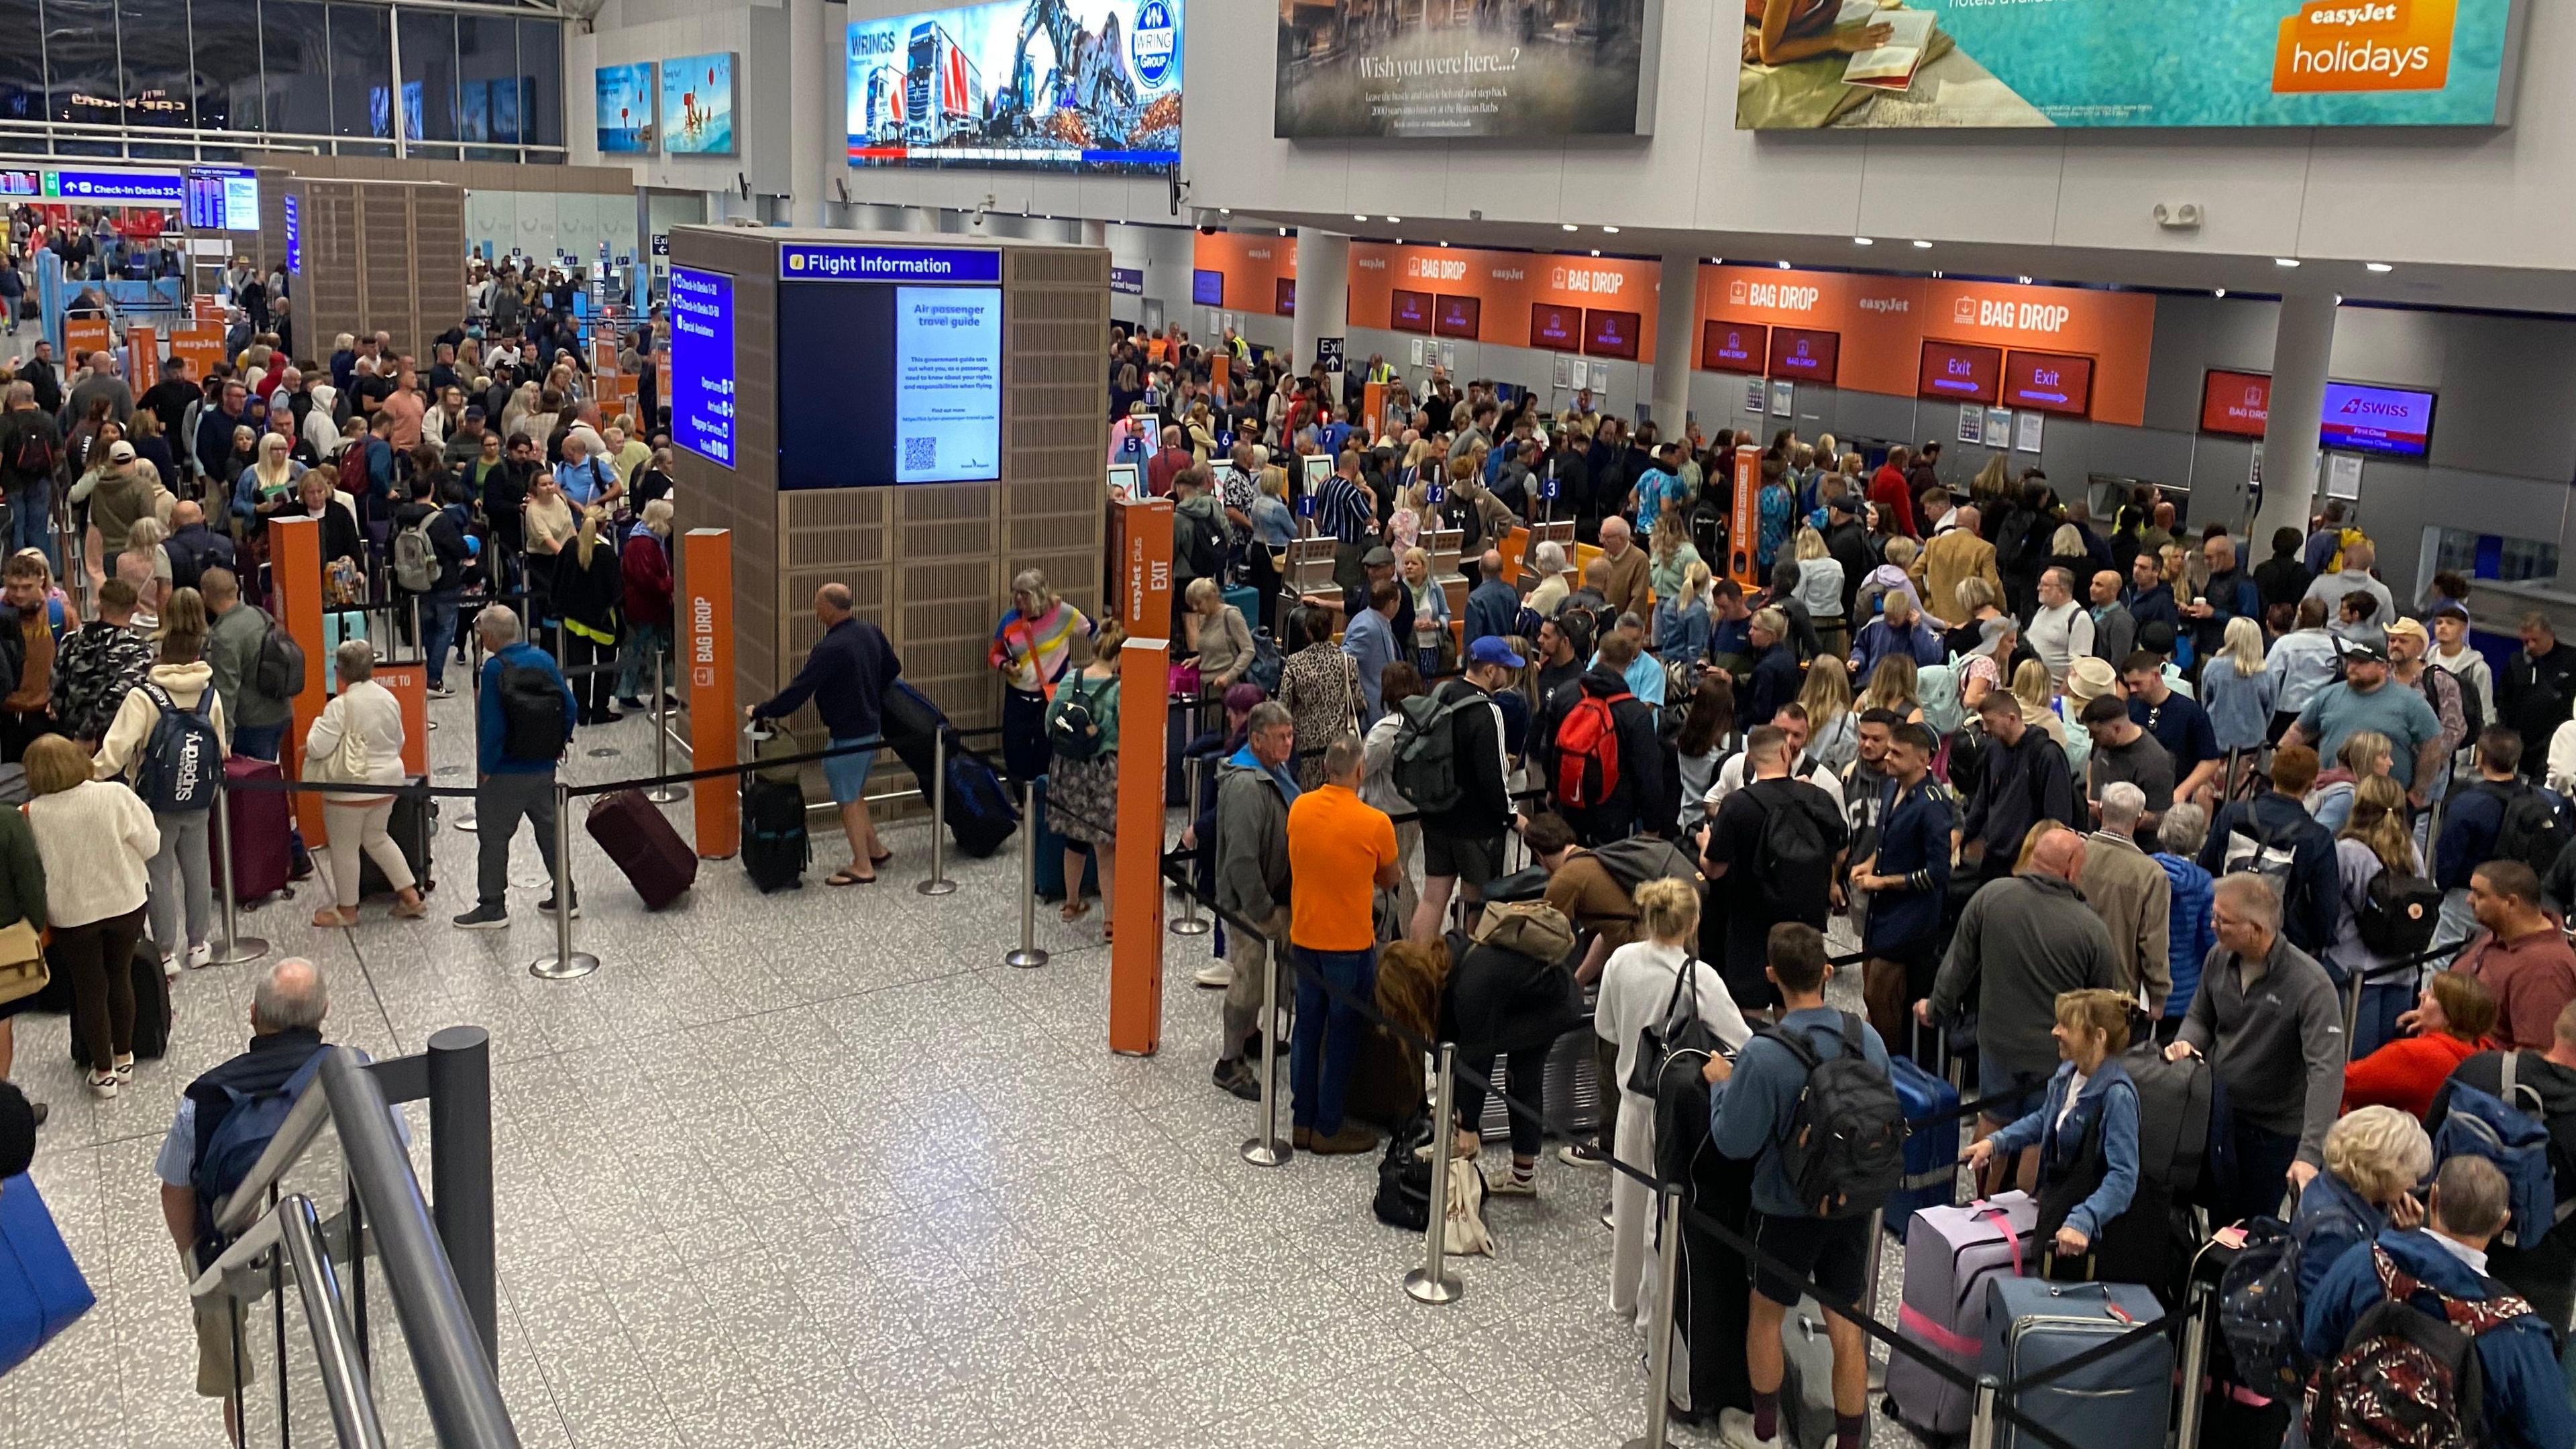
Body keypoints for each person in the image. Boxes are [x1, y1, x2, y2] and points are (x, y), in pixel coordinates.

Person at [1705, 922, 1890, 1449]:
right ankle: (1847, 1440)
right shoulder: (1865, 1037)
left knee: (1766, 1316)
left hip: (1783, 1208)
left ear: (1771, 976)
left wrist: (1722, 1087)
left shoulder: (1766, 1054)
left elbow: (1734, 1142)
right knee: (1845, 1323)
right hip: (1852, 1201)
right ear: (1828, 972)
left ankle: (1764, 1430)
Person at [2303, 1156, 2575, 1449]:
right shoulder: (2517, 1333)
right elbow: (2553, 1438)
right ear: (2502, 1222)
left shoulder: (2366, 1262)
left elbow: (2314, 1339)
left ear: (2433, 1196)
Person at [1600, 877, 1750, 1323]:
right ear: (1693, 923)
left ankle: (1623, 1297)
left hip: (1632, 1100)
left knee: (1628, 1202)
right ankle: (1655, 1310)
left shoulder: (1621, 960)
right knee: (1663, 1209)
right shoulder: (1700, 977)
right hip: (1675, 1106)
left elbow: (1606, 1028)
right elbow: (1741, 1039)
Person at [1926, 826, 2119, 1169]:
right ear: (2072, 868)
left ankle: (1978, 1207)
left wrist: (1936, 1010)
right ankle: (2022, 1218)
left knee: (1991, 1121)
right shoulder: (2092, 929)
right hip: (2054, 1056)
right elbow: (2102, 1003)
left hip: (1996, 1042)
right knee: (2039, 1133)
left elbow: (1955, 969)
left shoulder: (1991, 896)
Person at [2168, 873, 2349, 1224]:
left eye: (2223, 920)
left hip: (2273, 1134)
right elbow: (2201, 1016)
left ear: (2256, 928)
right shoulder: (2218, 960)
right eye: (2214, 915)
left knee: (2251, 1229)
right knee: (2216, 1221)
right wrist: (2186, 1043)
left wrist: (2309, 1155)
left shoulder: (2311, 985)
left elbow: (2326, 1071)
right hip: (2218, 1115)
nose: (2213, 925)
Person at [1962, 988, 2148, 1277]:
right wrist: (1996, 1143)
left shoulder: (2118, 1097)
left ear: (2098, 1038)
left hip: (2086, 1241)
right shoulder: (2068, 1075)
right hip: (2056, 1214)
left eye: (2067, 1026)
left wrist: (2084, 1220)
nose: (2055, 1031)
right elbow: (2043, 1120)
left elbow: (2123, 1178)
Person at [88, 589, 224, 968]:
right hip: (199, 798)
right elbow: (221, 747)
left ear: (160, 655)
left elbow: (114, 752)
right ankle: (198, 945)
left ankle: (165, 952)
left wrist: (86, 776)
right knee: (198, 870)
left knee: (159, 872)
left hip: (155, 801)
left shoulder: (144, 696)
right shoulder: (209, 693)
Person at [2426, 998, 2576, 1338]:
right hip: (2539, 1280)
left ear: (2556, 1030)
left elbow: (2426, 1144)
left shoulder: (2481, 1069)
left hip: (2447, 1250)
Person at [1284, 734, 1399, 1155]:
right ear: (1360, 771)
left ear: (1326, 769)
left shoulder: (1299, 808)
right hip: (1349, 946)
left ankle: (1301, 1120)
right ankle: (1329, 1127)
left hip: (1305, 937)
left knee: (1307, 1029)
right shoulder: (1375, 823)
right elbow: (1391, 879)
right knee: (1344, 1033)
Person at [23, 734, 154, 1097]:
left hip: (72, 915)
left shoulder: (33, 814)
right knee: (121, 975)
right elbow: (151, 842)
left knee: (89, 988)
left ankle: (103, 1072)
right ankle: (125, 1056)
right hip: (126, 902)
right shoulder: (113, 795)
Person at [747, 584, 902, 890]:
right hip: (872, 727)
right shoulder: (870, 632)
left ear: (830, 608)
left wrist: (761, 711)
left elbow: (799, 691)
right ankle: (875, 850)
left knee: (847, 800)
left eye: (818, 605)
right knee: (855, 793)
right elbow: (892, 669)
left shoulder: (830, 649)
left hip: (847, 734)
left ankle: (862, 866)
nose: (816, 611)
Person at [1706, 725, 1847, 1011]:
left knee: (1750, 1011)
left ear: (1749, 758)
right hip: (1803, 920)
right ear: (1786, 752)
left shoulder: (1736, 805)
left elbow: (1714, 870)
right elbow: (1841, 846)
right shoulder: (1815, 796)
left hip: (1749, 922)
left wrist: (1704, 843)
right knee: (1798, 1003)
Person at [453, 605, 577, 929]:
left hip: (506, 769)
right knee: (550, 832)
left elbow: (493, 726)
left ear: (491, 636)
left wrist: (486, 768)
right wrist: (554, 746)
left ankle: (492, 907)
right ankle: (566, 895)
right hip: (543, 768)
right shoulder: (544, 660)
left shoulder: (495, 669)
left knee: (494, 837)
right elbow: (570, 707)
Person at [298, 639, 427, 930]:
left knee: (344, 848)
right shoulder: (388, 698)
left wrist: (317, 723)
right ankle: (410, 896)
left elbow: (318, 748)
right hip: (389, 782)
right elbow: (400, 740)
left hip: (350, 788)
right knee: (377, 838)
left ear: (339, 672)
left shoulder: (340, 706)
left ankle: (347, 910)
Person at [1210, 700, 1297, 1099]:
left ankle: (1249, 1036)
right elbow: (1242, 859)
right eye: (1280, 737)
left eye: (1290, 735)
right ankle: (1229, 1062)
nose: (1288, 743)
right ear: (1257, 738)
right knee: (1247, 981)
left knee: (1263, 978)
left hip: (1274, 898)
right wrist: (1261, 910)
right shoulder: (1246, 785)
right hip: (1254, 906)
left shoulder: (1274, 771)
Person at [1407, 636, 1517, 942]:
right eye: (1506, 668)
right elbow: (1493, 778)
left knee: (1432, 899)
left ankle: (1416, 971)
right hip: (1475, 826)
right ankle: (1466, 973)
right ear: (1491, 671)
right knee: (1476, 902)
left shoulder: (1442, 692)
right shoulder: (1488, 711)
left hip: (1436, 814)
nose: (1508, 675)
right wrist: (1511, 815)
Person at [1851, 721, 1951, 1052]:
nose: (1888, 758)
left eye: (1897, 753)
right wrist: (1869, 863)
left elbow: (1937, 872)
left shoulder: (1933, 804)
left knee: (1880, 996)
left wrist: (1884, 881)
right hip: (1880, 908)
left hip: (1911, 916)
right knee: (1872, 994)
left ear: (1922, 759)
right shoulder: (1892, 787)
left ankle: (1889, 1064)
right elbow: (1888, 841)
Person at [2447, 859, 2576, 1053]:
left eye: (2479, 894)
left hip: (2480, 1077)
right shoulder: (2498, 933)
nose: (2469, 900)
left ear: (2511, 903)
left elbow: (2535, 1058)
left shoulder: (2546, 968)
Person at [1958, 692, 2082, 888]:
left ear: (2012, 719)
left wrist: (2041, 863)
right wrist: (1962, 839)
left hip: (2026, 865)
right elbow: (1982, 803)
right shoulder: (1993, 750)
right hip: (1993, 860)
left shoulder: (2047, 755)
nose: (1985, 728)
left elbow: (2057, 820)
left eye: (1990, 722)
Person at [2344, 969, 2496, 1118]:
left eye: (2432, 996)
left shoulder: (2416, 1054)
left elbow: (2344, 1082)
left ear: (2450, 1016)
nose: (2421, 995)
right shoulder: (2485, 1050)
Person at [989, 570, 1092, 786]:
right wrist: (1005, 665)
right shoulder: (1009, 620)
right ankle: (1022, 801)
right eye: (1015, 593)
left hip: (1052, 698)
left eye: (1024, 594)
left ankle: (1042, 799)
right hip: (1018, 698)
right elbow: (995, 653)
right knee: (1015, 752)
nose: (1018, 599)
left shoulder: (1063, 614)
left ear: (1039, 593)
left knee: (1048, 751)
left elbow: (1094, 631)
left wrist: (1099, 668)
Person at [2081, 782, 2173, 1016]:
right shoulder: (2151, 874)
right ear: (2139, 819)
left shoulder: (2074, 853)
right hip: (2118, 996)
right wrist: (2158, 995)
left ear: (2100, 811)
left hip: (2070, 982)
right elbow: (2153, 942)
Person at [199, 568, 290, 762]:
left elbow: (227, 688)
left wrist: (226, 736)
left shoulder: (225, 635)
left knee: (253, 785)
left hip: (251, 722)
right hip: (280, 710)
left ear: (204, 595)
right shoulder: (260, 615)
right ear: (237, 589)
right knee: (268, 773)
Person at [51, 575, 154, 746]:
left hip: (65, 735)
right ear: (135, 607)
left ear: (100, 604)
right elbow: (118, 696)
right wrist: (86, 734)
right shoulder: (138, 650)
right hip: (110, 741)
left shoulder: (70, 640)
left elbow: (55, 686)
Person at [2123, 650, 2222, 805]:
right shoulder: (2130, 708)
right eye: (2129, 684)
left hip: (2174, 796)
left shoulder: (2191, 712)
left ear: (2156, 676)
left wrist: (2182, 791)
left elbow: (2210, 761)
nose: (2132, 690)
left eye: (2137, 683)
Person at [614, 497, 675, 712]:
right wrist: (672, 585)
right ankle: (627, 692)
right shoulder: (642, 544)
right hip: (644, 608)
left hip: (653, 607)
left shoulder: (650, 540)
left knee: (659, 650)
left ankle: (660, 693)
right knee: (636, 649)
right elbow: (646, 579)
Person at [2082, 694, 2177, 824]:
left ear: (2116, 729)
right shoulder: (2103, 742)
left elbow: (2160, 818)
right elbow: (2093, 765)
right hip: (2097, 834)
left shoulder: (2155, 762)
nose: (2091, 737)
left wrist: (2108, 812)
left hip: (2132, 843)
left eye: (2095, 732)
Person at [2201, 615, 2276, 771]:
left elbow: (2205, 701)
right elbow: (2270, 711)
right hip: (2253, 746)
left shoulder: (2213, 666)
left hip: (2216, 743)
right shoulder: (2268, 672)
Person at [1341, 577, 1402, 729]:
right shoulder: (1366, 627)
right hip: (1370, 709)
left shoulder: (1381, 620)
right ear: (1391, 604)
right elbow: (1342, 659)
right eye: (1399, 602)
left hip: (1384, 705)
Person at [2302, 537, 2398, 628]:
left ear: (2345, 562)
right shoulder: (2383, 592)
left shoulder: (2321, 583)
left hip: (2325, 642)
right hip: (2364, 643)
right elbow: (2387, 628)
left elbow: (2302, 613)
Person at [2025, 566, 2094, 684]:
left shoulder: (2079, 618)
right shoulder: (2043, 609)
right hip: (2030, 688)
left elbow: (2078, 668)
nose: (2038, 588)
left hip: (2052, 694)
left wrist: (2059, 699)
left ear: (2061, 590)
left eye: (2045, 585)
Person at [1464, 548, 1518, 647]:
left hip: (1487, 656)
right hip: (1509, 654)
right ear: (1503, 568)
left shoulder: (1475, 599)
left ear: (1480, 567)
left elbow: (1472, 639)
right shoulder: (1512, 592)